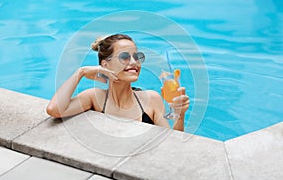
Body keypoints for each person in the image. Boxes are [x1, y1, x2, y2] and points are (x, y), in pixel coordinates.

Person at [46, 34, 189, 131]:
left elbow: (171, 145)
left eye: (137, 56)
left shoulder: (151, 99)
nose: (134, 62)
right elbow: (54, 110)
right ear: (105, 64)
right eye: (125, 57)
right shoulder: (94, 98)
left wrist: (179, 114)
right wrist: (81, 72)